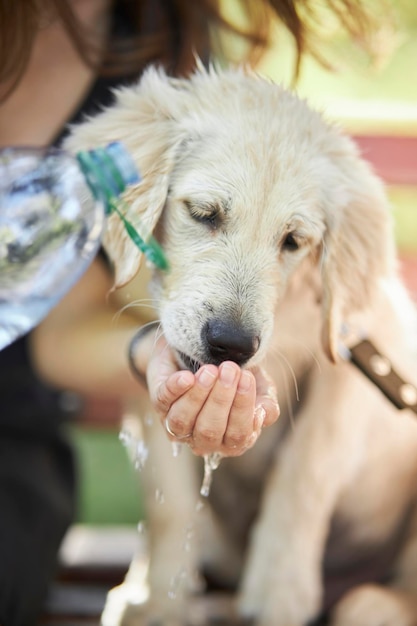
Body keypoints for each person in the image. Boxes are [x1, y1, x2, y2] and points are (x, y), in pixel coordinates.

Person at [0, 1, 386, 623]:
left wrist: (154, 351)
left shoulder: (154, 35)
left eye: (291, 241)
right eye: (205, 215)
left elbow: (58, 336)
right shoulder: (152, 124)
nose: (236, 320)